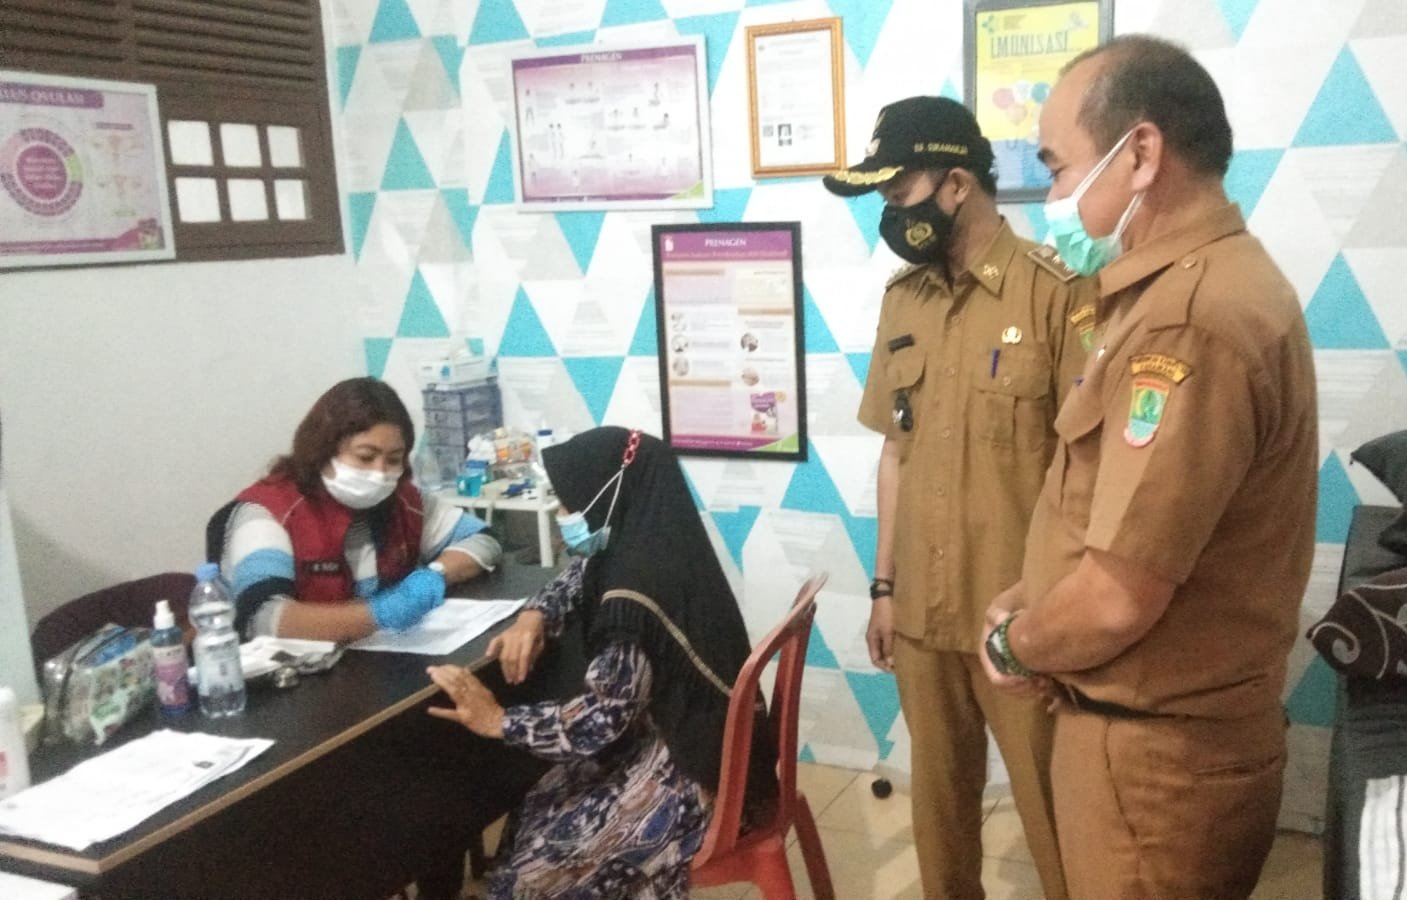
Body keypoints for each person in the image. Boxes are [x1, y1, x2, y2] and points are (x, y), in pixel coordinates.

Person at [978, 35, 1319, 899]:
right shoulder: (1181, 291)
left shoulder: (1188, 322)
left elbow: (1117, 600)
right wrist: (1036, 594)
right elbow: (1117, 521)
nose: (1050, 200)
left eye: (1057, 169)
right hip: (1140, 737)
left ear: (1139, 154)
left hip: (1152, 764)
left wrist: (1017, 643)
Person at [822, 96, 1094, 900]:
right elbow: (896, 452)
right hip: (921, 614)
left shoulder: (1055, 293)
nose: (889, 211)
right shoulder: (903, 300)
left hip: (1018, 616)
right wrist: (883, 587)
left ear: (957, 184)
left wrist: (1058, 609)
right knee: (938, 811)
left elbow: (1086, 470)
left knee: (1054, 810)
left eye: (899, 191)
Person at [426, 427, 777, 899]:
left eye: (568, 502)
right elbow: (577, 575)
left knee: (533, 869)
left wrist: (498, 720)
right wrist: (534, 614)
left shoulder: (635, 592)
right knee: (534, 804)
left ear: (607, 496)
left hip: (702, 777)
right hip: (710, 744)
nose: (560, 514)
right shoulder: (655, 541)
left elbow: (599, 721)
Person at [216, 377, 502, 642]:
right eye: (365, 457)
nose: (380, 473)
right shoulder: (267, 512)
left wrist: (436, 574)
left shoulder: (403, 501)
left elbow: (483, 540)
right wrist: (380, 614)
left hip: (380, 659)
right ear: (323, 449)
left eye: (394, 459)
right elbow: (262, 618)